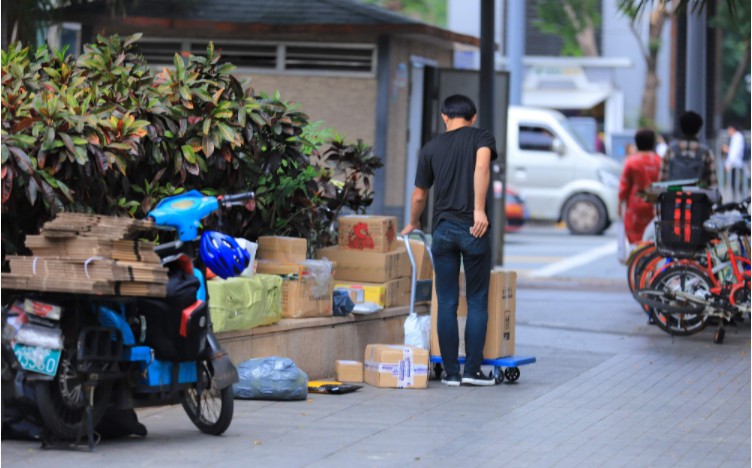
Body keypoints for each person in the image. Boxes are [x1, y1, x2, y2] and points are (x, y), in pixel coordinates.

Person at [401, 94, 497, 387]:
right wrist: (479, 209)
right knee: (478, 300)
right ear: (474, 116)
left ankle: (452, 374)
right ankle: (473, 371)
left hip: (442, 230)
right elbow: (482, 167)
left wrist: (413, 222)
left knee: (446, 301)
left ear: (444, 116)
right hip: (473, 228)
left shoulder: (430, 148)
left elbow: (419, 194)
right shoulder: (482, 136)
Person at [618, 129, 662, 244]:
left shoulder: (631, 162)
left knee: (636, 243)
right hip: (655, 208)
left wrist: (620, 205)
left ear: (636, 143)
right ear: (653, 143)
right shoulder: (659, 161)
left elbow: (624, 187)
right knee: (653, 241)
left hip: (635, 208)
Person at [659, 111, 718, 188]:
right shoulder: (706, 152)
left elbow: (662, 180)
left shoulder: (671, 150)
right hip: (698, 197)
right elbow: (712, 183)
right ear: (698, 129)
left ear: (681, 128)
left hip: (674, 196)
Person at [722, 124, 745, 200]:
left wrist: (728, 164)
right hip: (735, 164)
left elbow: (734, 153)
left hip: (736, 165)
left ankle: (738, 200)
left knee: (737, 185)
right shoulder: (736, 137)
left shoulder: (737, 138)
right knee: (736, 185)